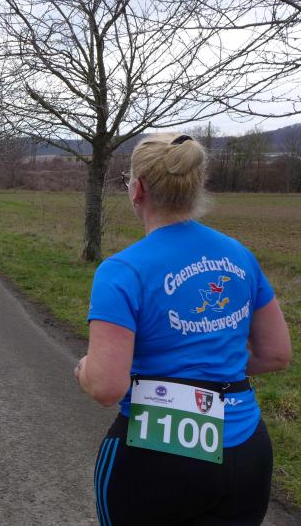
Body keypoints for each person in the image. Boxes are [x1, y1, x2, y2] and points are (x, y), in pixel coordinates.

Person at [74, 133, 291, 526]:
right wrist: (209, 370)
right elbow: (276, 354)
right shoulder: (240, 255)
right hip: (246, 452)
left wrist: (86, 368)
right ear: (196, 187)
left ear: (138, 189)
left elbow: (106, 386)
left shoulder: (122, 271)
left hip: (156, 456)